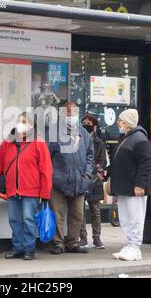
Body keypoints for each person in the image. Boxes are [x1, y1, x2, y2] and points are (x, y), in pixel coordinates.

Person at [0, 112, 52, 260]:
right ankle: (17, 248)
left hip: (31, 190)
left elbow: (46, 170)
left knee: (29, 220)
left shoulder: (38, 142)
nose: (21, 125)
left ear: (32, 126)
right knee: (14, 220)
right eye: (19, 121)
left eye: (25, 122)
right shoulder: (7, 143)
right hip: (12, 190)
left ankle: (29, 249)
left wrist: (45, 192)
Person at [48, 102, 95, 255]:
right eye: (69, 113)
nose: (72, 116)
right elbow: (46, 157)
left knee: (77, 214)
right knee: (58, 214)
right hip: (59, 181)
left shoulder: (83, 133)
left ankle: (73, 242)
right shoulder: (53, 133)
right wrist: (52, 175)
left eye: (75, 112)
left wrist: (87, 175)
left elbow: (90, 156)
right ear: (62, 114)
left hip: (79, 181)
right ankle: (58, 243)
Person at [109, 109, 151, 261]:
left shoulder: (139, 139)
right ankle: (130, 245)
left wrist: (140, 184)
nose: (118, 123)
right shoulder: (127, 138)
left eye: (120, 120)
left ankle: (134, 246)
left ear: (127, 123)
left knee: (135, 218)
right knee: (125, 218)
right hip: (125, 187)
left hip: (134, 187)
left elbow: (146, 163)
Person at [79, 113, 107, 249]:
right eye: (84, 122)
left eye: (89, 123)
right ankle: (82, 238)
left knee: (95, 210)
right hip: (81, 179)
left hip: (94, 180)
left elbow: (102, 162)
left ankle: (97, 238)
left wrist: (94, 169)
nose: (86, 124)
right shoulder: (77, 140)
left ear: (95, 126)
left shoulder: (99, 143)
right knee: (80, 211)